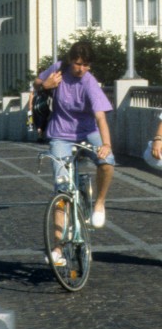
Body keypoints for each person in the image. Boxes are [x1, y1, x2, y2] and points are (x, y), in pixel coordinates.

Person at [36, 41, 114, 265]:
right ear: (70, 60)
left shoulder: (89, 83)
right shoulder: (59, 68)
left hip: (87, 132)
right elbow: (37, 83)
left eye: (86, 65)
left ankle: (99, 202)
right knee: (62, 189)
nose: (81, 69)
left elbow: (100, 117)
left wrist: (106, 144)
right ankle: (57, 248)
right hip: (60, 134)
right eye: (78, 64)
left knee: (107, 162)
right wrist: (47, 84)